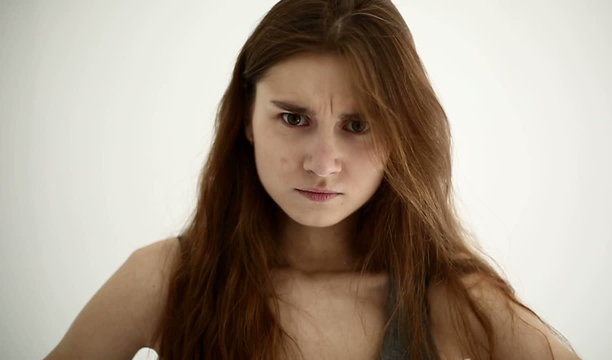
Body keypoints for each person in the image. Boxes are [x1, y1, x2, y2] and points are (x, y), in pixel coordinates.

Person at [46, 0, 582, 359]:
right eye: (295, 119)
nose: (323, 163)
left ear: (400, 135)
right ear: (246, 122)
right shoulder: (165, 280)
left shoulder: (449, 300)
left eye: (358, 125)